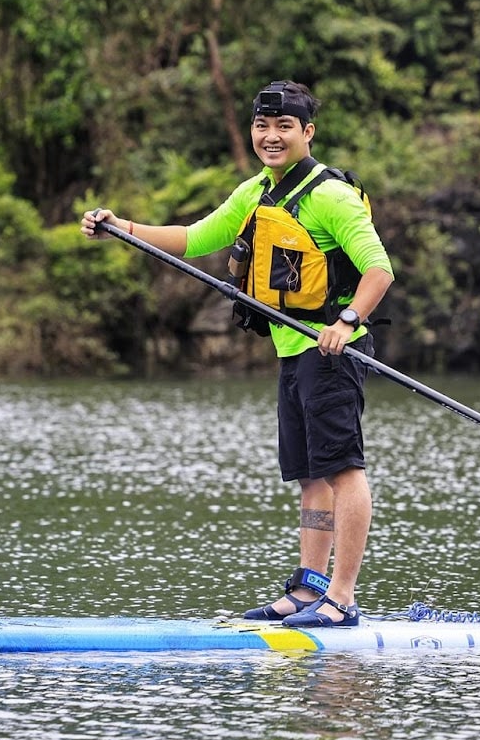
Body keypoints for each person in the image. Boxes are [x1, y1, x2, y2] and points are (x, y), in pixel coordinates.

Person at [81, 80, 394, 628]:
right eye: (262, 127)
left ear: (307, 133)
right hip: (293, 351)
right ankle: (308, 588)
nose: (271, 137)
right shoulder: (256, 192)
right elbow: (196, 236)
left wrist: (348, 322)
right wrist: (121, 228)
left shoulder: (330, 196)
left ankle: (341, 599)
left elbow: (378, 269)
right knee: (310, 475)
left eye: (284, 127)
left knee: (343, 470)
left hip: (334, 350)